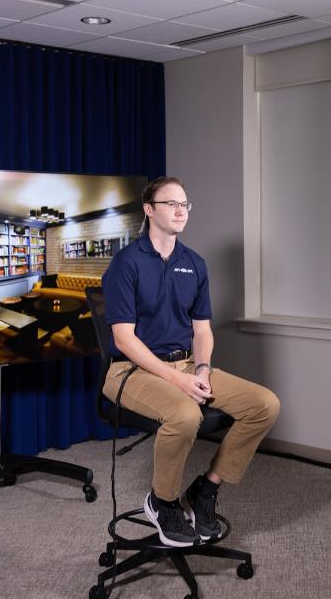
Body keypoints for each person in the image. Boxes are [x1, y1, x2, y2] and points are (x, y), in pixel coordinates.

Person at [100, 176, 280, 547]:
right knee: (185, 415)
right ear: (149, 209)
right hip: (129, 371)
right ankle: (162, 500)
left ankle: (205, 489)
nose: (181, 210)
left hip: (185, 364)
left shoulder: (194, 263)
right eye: (171, 204)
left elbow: (202, 330)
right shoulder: (127, 263)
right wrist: (178, 381)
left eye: (185, 204)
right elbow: (123, 339)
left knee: (264, 405)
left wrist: (200, 369)